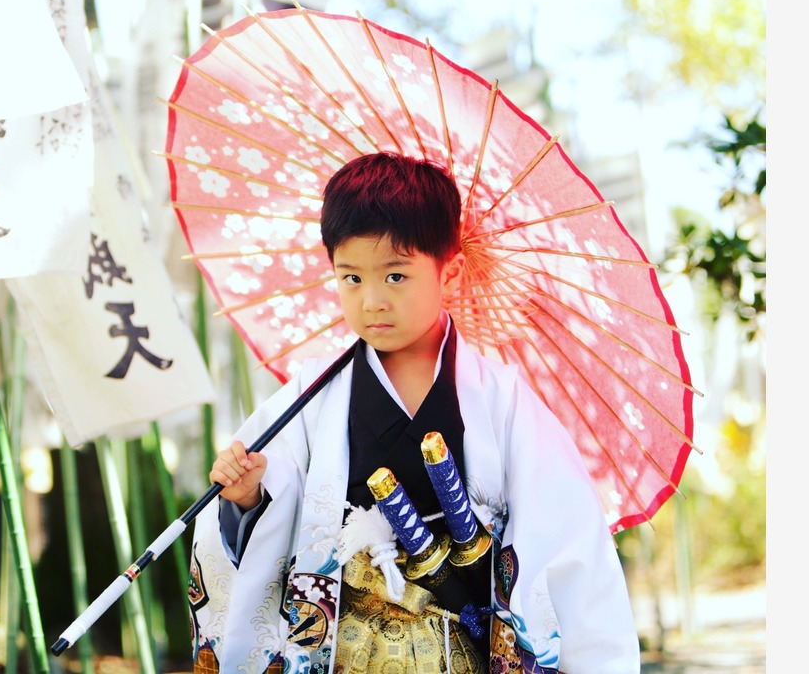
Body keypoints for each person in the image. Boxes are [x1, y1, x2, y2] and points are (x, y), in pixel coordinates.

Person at [186, 152, 640, 673]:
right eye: (351, 278)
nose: (372, 300)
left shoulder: (502, 401)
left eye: (395, 276)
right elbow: (276, 507)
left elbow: (565, 542)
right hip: (347, 653)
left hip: (458, 649)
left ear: (450, 272)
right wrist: (250, 497)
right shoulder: (312, 395)